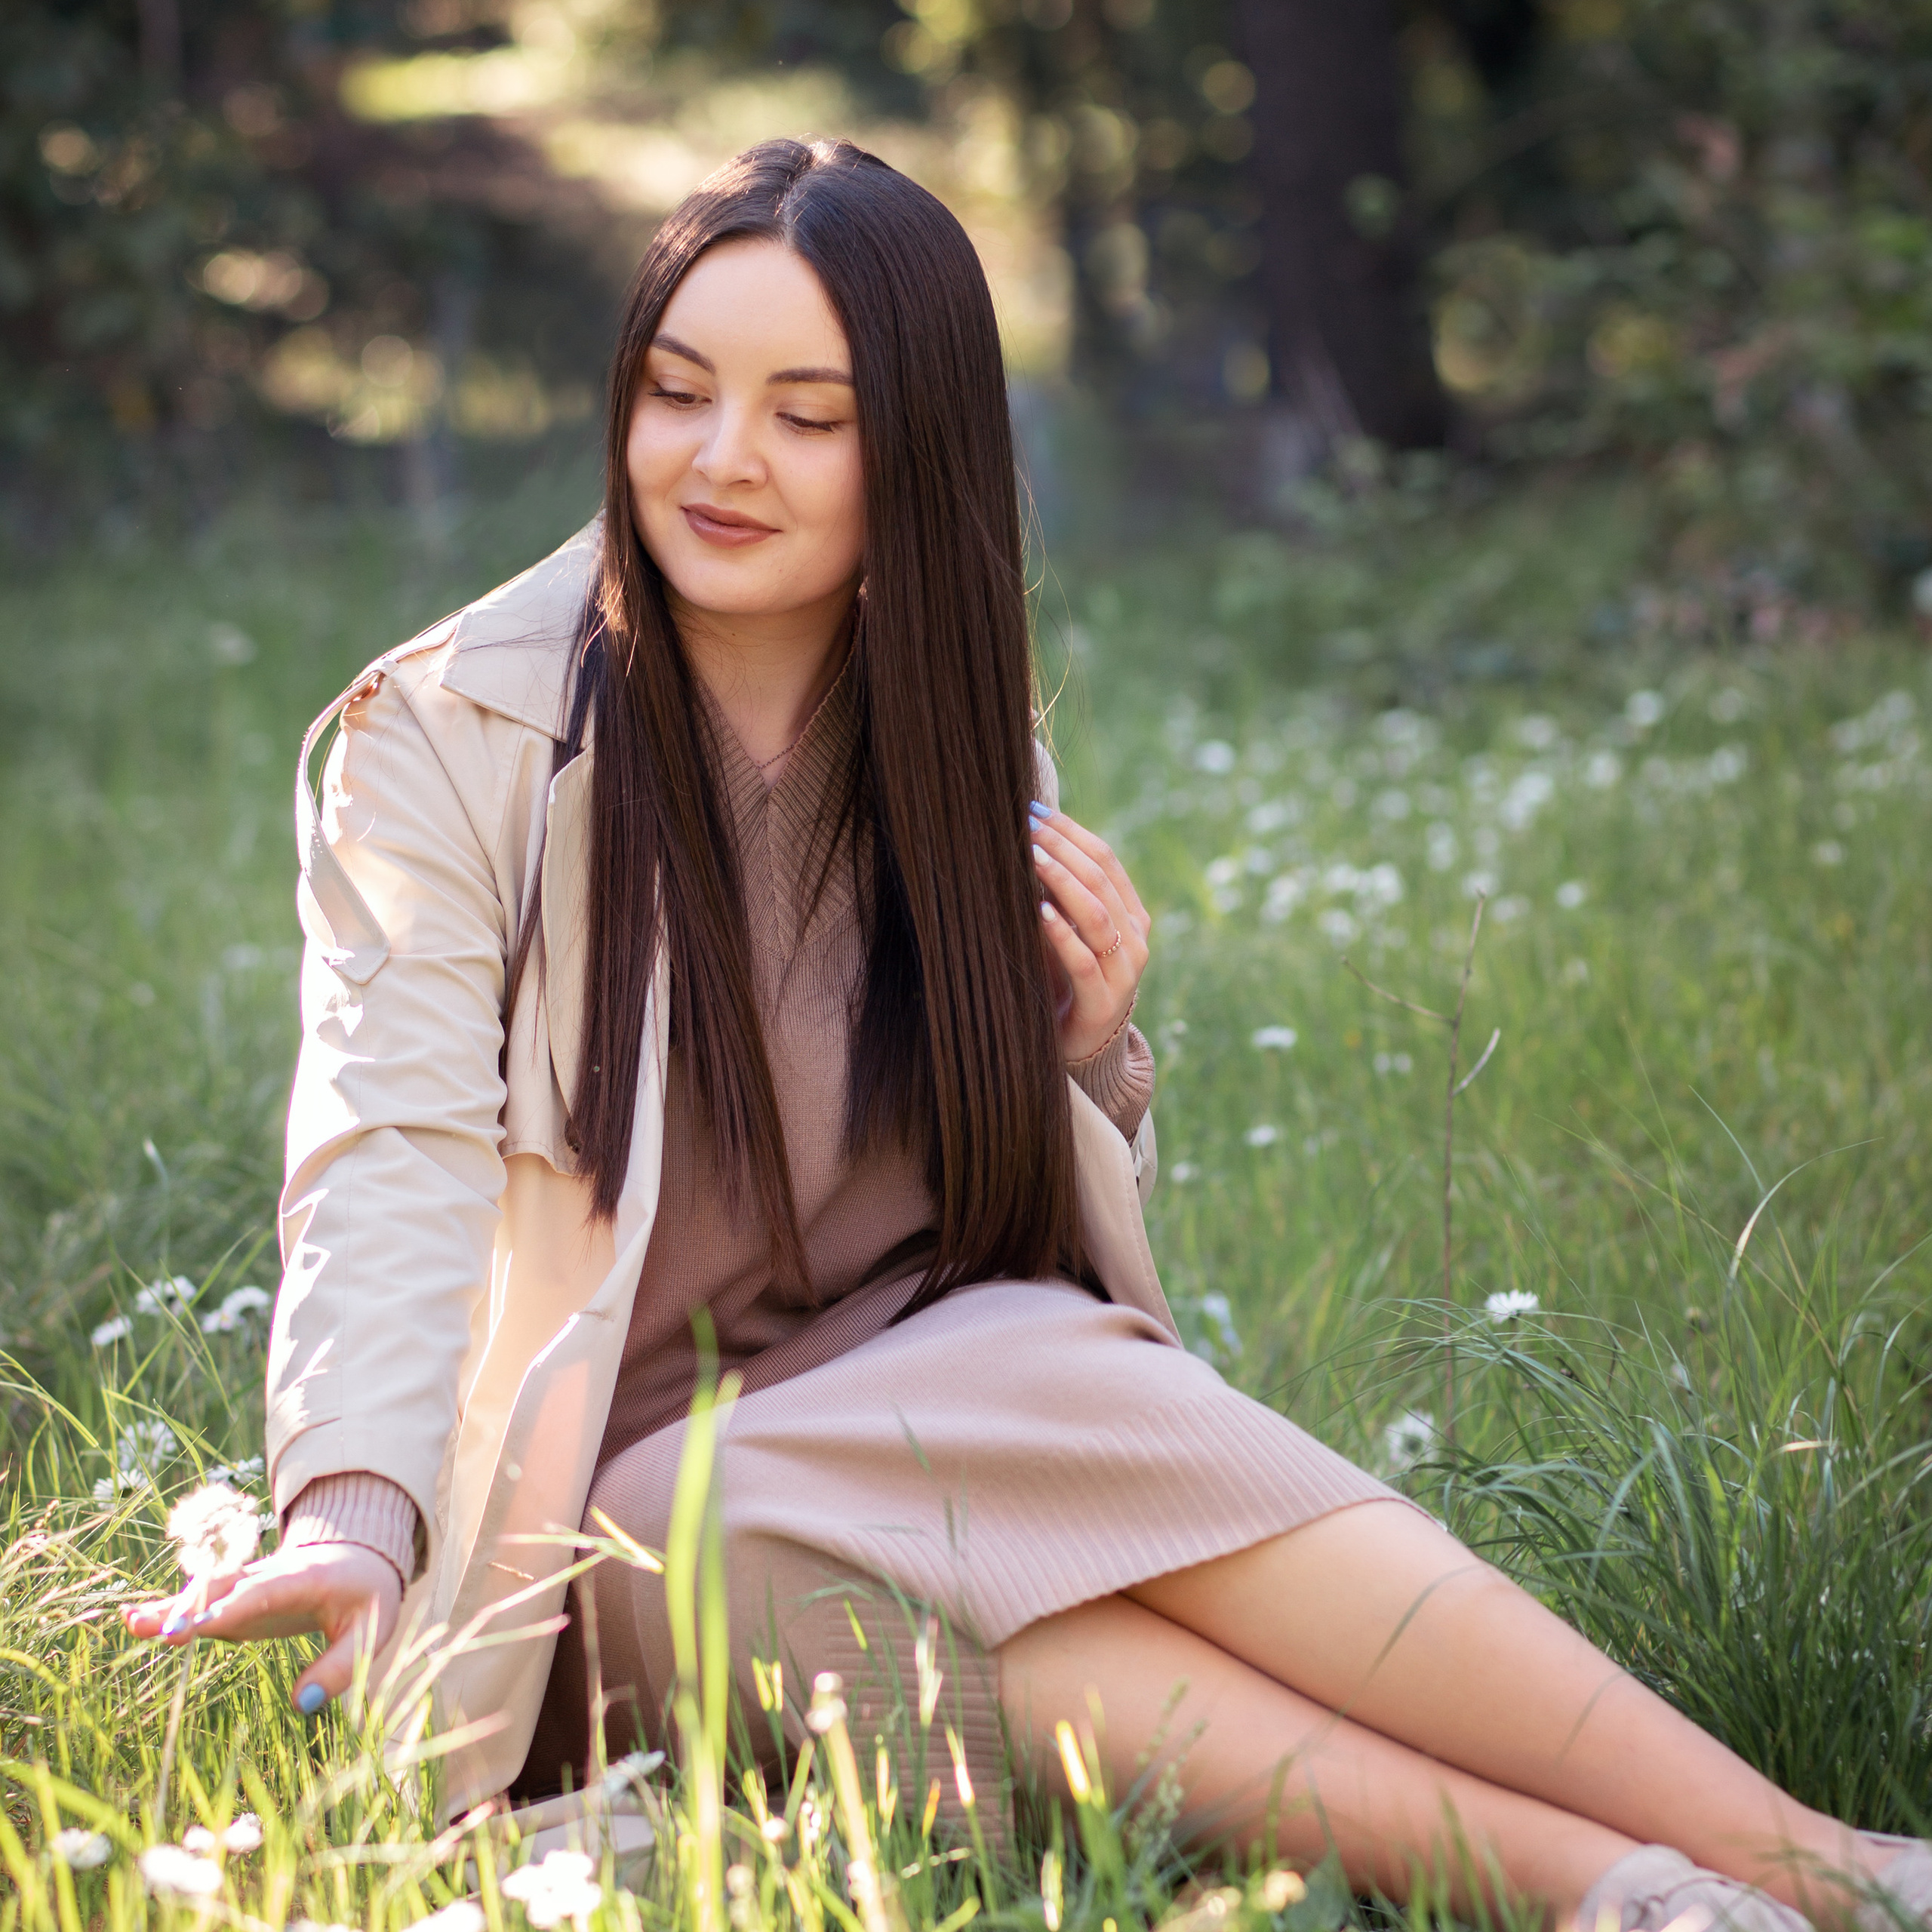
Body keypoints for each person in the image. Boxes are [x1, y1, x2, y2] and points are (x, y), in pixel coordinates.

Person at [125, 139, 1928, 1932]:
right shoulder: (446, 740)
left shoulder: (949, 722)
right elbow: (388, 1137)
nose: (716, 457)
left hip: (934, 1388)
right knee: (715, 1495)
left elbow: (1016, 1226)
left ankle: (1798, 1864)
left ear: (913, 449)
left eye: (804, 414)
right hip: (602, 1518)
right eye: (676, 392)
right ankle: (1607, 1881)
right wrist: (354, 1508)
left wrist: (1083, 1052)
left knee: (1095, 1418)